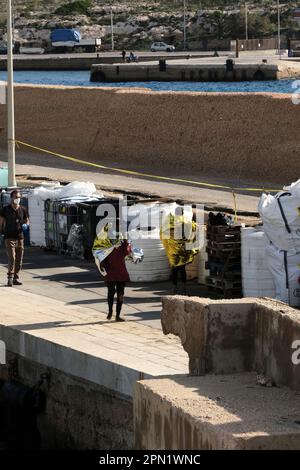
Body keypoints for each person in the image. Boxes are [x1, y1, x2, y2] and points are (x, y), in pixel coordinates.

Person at [93, 224, 131, 322]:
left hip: (113, 270)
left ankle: (113, 313)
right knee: (117, 293)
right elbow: (126, 252)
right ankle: (114, 314)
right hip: (116, 270)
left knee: (114, 293)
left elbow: (127, 252)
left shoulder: (110, 242)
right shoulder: (115, 242)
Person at [0, 190, 29, 287]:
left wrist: (26, 225)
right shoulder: (5, 209)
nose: (17, 199)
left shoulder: (23, 209)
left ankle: (16, 277)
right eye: (16, 197)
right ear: (11, 198)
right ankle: (10, 278)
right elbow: (1, 222)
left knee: (19, 258)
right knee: (12, 257)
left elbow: (27, 220)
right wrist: (1, 232)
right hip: (9, 237)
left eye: (19, 197)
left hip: (20, 237)